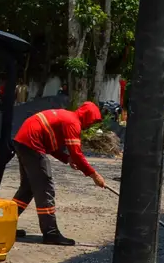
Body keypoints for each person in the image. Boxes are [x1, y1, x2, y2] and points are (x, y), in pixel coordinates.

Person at [12, 100, 106, 245]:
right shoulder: (73, 123)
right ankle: (51, 233)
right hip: (32, 143)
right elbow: (77, 154)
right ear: (87, 116)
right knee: (45, 187)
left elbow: (53, 145)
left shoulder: (66, 117)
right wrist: (94, 175)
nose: (90, 125)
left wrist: (66, 158)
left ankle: (6, 225)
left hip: (23, 140)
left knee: (28, 188)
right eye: (92, 121)